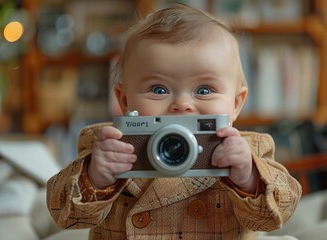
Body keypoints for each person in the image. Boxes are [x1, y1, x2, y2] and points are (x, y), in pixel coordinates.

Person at [46, 4, 302, 240]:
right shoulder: (108, 146)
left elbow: (275, 216)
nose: (182, 104)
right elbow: (67, 217)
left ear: (236, 104)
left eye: (203, 90)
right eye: (158, 90)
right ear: (124, 102)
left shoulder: (248, 152)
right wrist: (95, 179)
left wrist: (248, 179)